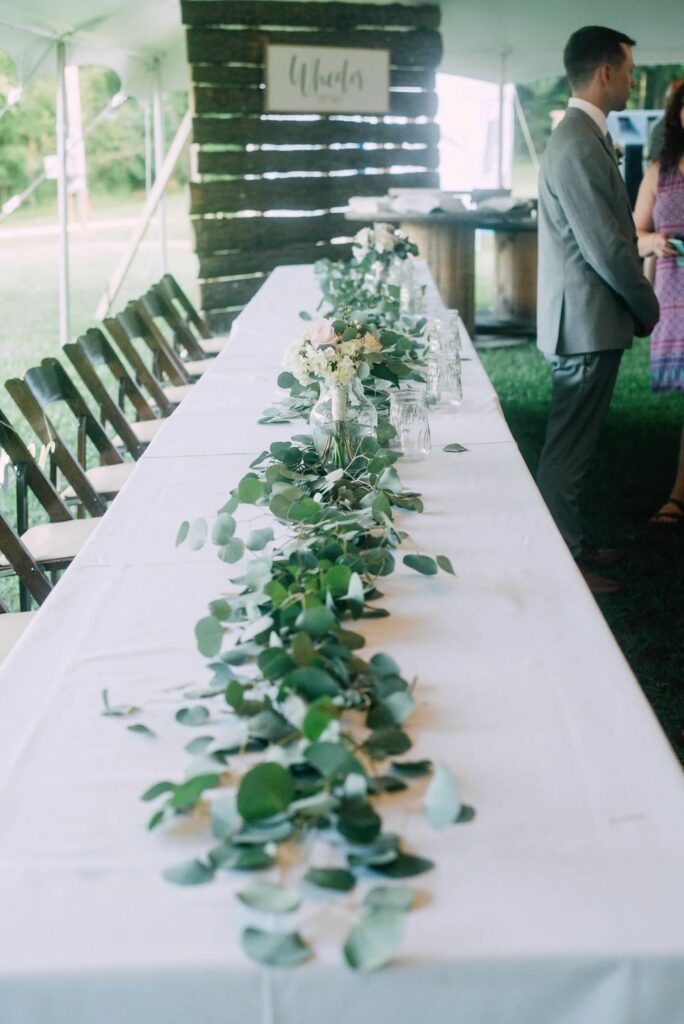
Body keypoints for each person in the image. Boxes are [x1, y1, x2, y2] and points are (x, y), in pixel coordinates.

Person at [536, 26, 660, 594]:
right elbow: (607, 245)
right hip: (583, 324)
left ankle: (574, 545)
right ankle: (564, 566)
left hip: (585, 321)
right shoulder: (578, 141)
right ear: (605, 71)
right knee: (569, 452)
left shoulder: (582, 135)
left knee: (574, 447)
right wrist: (646, 303)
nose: (635, 80)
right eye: (631, 69)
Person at [634, 80, 684, 528]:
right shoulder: (660, 171)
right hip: (676, 296)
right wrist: (653, 240)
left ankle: (678, 495)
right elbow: (632, 232)